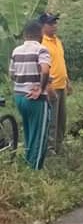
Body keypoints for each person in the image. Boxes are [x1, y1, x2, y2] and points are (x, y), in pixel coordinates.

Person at [9, 21, 53, 170]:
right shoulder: (41, 50)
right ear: (39, 34)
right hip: (36, 98)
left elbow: (12, 74)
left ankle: (27, 164)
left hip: (20, 97)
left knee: (29, 133)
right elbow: (45, 70)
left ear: (25, 35)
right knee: (39, 136)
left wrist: (23, 83)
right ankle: (34, 170)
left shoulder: (16, 51)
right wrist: (40, 88)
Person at [40, 12, 71, 153]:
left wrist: (67, 81)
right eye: (51, 23)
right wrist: (48, 86)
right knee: (52, 121)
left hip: (61, 85)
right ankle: (50, 150)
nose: (54, 26)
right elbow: (42, 68)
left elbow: (61, 62)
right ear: (43, 25)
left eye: (55, 23)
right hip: (51, 87)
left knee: (61, 120)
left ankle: (59, 147)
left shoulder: (57, 41)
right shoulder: (42, 43)